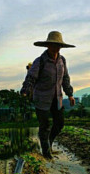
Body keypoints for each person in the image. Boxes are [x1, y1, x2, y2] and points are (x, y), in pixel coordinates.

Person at [20, 31, 75, 159]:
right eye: (53, 45)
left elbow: (65, 78)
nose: (56, 48)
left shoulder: (62, 61)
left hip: (57, 98)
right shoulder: (40, 61)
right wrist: (25, 91)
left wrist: (70, 95)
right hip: (42, 98)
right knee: (44, 126)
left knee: (59, 123)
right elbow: (31, 77)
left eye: (58, 45)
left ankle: (49, 144)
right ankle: (46, 153)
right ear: (48, 46)